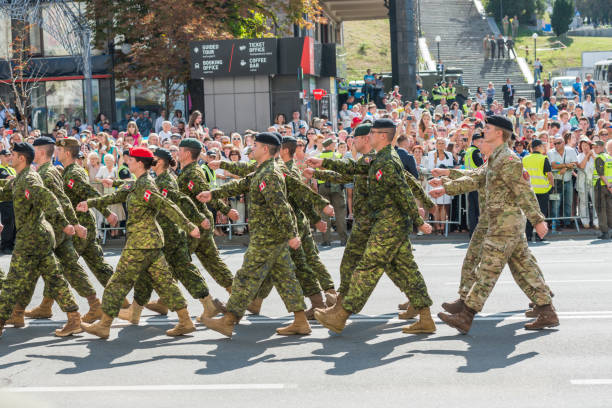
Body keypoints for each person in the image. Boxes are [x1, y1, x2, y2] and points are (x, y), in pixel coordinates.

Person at [308, 119, 436, 335]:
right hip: (384, 223)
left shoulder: (386, 161)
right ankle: (425, 316)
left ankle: (341, 314)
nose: (370, 137)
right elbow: (353, 169)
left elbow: (403, 191)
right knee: (404, 268)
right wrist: (324, 165)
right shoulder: (380, 159)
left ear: (382, 136)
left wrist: (419, 221)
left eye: (373, 133)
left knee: (366, 268)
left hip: (389, 224)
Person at [433, 115, 559, 334]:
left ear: (499, 133)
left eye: (488, 128)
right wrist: (446, 184)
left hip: (505, 224)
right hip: (501, 223)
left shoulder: (508, 160)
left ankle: (467, 315)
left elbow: (523, 191)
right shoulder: (495, 159)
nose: (484, 131)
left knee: (488, 269)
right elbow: (475, 178)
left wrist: (538, 220)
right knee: (523, 268)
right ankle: (546, 309)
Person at [78, 147, 200, 339]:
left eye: (131, 160)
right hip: (149, 243)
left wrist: (188, 225)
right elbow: (116, 196)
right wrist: (90, 203)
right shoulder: (137, 183)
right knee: (165, 283)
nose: (128, 163)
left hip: (141, 243)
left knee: (117, 282)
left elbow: (166, 205)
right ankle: (185, 320)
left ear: (140, 163)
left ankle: (104, 325)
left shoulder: (146, 186)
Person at [199, 132, 311, 338]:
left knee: (245, 276)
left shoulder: (269, 174)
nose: (252, 149)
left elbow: (281, 207)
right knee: (286, 277)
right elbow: (242, 183)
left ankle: (229, 320)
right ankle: (301, 321)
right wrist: (213, 194)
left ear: (266, 149)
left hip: (267, 238)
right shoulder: (264, 171)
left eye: (256, 145)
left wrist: (293, 234)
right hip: (272, 237)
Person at [0, 142, 82, 338]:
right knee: (55, 278)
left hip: (31, 238)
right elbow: (4, 190)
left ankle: (2, 319)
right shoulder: (21, 178)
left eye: (13, 154)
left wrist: (64, 223)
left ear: (21, 158)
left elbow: (49, 198)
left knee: (13, 281)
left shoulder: (29, 179)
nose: (10, 157)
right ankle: (74, 318)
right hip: (39, 237)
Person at [20, 137, 102, 324]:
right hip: (58, 227)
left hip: (54, 229)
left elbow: (61, 200)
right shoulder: (47, 171)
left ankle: (17, 310)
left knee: (35, 269)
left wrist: (73, 223)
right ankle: (90, 304)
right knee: (68, 268)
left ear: (40, 152)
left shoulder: (46, 174)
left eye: (34, 150)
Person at [55, 137, 119, 301]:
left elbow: (90, 194)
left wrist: (107, 213)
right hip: (84, 224)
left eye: (59, 150)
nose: (56, 152)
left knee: (64, 265)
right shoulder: (71, 171)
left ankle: (94, 304)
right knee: (98, 265)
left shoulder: (73, 174)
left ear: (67, 153)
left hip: (80, 227)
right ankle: (122, 301)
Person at [175, 138, 238, 294]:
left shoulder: (193, 173)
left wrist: (226, 211)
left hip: (198, 221)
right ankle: (237, 294)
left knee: (178, 259)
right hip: (197, 221)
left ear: (188, 153)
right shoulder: (188, 170)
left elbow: (207, 195)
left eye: (180, 150)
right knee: (212, 261)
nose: (177, 153)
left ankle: (170, 299)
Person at [316, 138, 348, 246]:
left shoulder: (318, 157)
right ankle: (343, 239)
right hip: (337, 186)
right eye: (333, 144)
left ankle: (326, 240)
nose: (335, 145)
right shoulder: (338, 156)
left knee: (324, 214)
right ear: (329, 146)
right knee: (340, 213)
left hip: (323, 186)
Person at [523, 139, 554, 241]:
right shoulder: (543, 158)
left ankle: (528, 236)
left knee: (529, 214)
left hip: (529, 191)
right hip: (542, 191)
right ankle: (540, 236)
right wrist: (551, 187)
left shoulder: (525, 159)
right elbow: (549, 175)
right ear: (539, 147)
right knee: (541, 214)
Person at [548, 135, 578, 230]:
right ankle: (555, 222)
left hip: (568, 180)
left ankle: (567, 222)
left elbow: (575, 164)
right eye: (554, 143)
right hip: (556, 182)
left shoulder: (571, 151)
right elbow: (553, 166)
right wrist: (566, 165)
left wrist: (564, 167)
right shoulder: (551, 152)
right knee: (556, 203)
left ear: (563, 143)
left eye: (558, 143)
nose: (556, 145)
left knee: (568, 202)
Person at [464, 133, 485, 236]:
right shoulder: (476, 151)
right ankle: (478, 233)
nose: (482, 143)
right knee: (479, 209)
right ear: (475, 142)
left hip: (469, 182)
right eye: (480, 141)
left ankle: (472, 232)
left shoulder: (468, 151)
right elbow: (481, 166)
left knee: (472, 210)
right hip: (477, 183)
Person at [576, 137, 598, 229]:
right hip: (582, 182)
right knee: (583, 202)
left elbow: (599, 164)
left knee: (595, 201)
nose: (585, 147)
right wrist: (587, 156)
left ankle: (597, 222)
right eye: (583, 145)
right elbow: (581, 166)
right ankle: (585, 221)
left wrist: (592, 155)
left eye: (586, 145)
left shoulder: (595, 155)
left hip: (593, 182)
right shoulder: (579, 156)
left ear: (590, 145)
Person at [592, 140, 612, 239]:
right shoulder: (609, 157)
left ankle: (605, 232)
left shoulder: (599, 158)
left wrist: (608, 185)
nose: (594, 149)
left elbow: (601, 174)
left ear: (601, 147)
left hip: (601, 186)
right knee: (609, 209)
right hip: (609, 186)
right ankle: (610, 230)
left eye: (596, 147)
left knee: (601, 209)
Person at [0, 150, 15, 253]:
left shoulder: (11, 168)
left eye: (10, 155)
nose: (9, 157)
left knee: (13, 224)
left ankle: (11, 244)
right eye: (6, 156)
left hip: (12, 199)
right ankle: (5, 246)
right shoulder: (1, 169)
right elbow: (10, 178)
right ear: (0, 157)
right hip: (4, 200)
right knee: (7, 224)